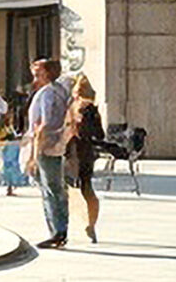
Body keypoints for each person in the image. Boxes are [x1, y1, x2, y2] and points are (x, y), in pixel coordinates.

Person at [25, 58, 72, 249]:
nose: (35, 78)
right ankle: (60, 229)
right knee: (56, 188)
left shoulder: (47, 93)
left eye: (38, 74)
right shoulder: (61, 90)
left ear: (48, 74)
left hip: (46, 145)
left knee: (49, 188)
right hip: (59, 144)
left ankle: (57, 232)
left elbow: (46, 122)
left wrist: (34, 152)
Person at [66, 74, 106, 244]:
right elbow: (100, 134)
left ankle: (67, 225)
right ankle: (90, 224)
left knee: (67, 187)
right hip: (87, 152)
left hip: (70, 152)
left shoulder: (71, 107)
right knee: (87, 188)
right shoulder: (92, 109)